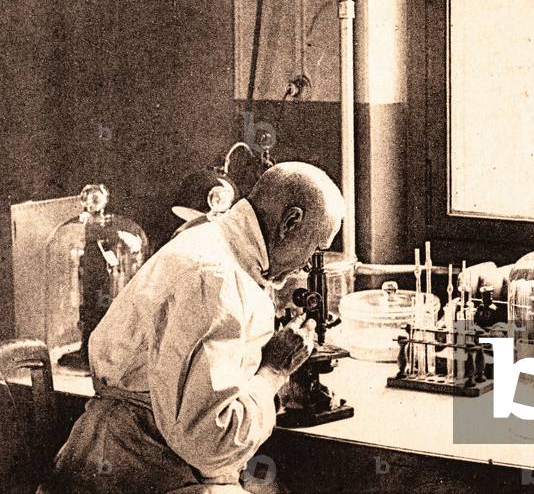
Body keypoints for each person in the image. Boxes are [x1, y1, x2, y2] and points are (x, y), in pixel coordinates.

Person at [44, 162, 345, 493]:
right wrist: (274, 371)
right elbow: (209, 440)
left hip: (133, 455)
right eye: (317, 248)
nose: (308, 263)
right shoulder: (216, 278)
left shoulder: (211, 239)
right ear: (290, 222)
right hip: (136, 470)